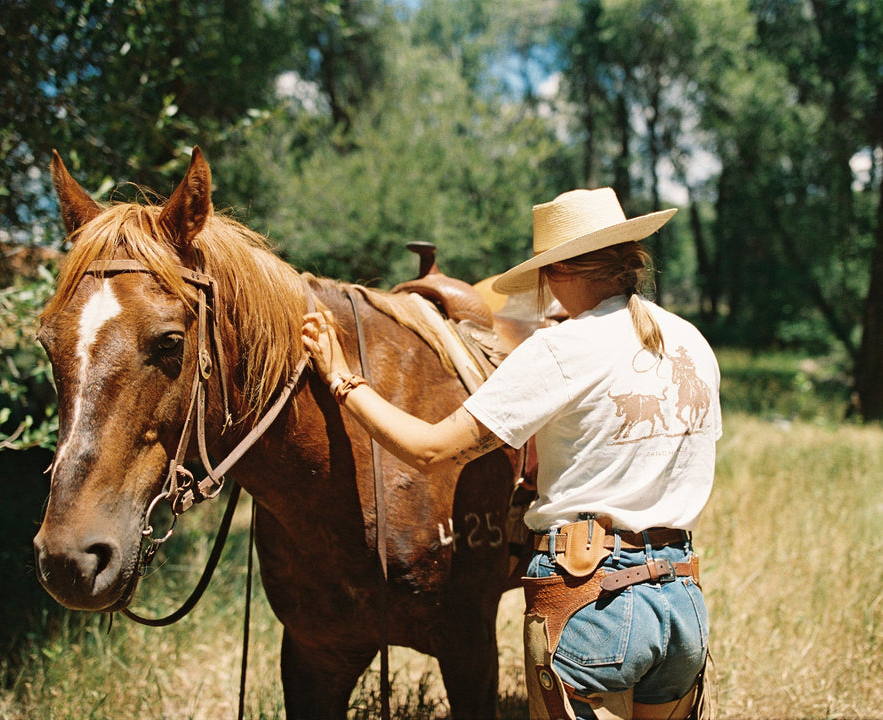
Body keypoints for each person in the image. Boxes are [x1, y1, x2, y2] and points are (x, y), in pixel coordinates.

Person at [302, 188, 721, 720]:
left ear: (560, 270)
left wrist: (341, 377)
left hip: (594, 601)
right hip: (681, 598)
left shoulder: (562, 348)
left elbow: (431, 450)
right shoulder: (691, 343)